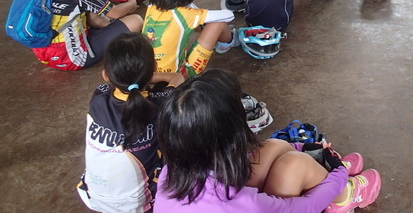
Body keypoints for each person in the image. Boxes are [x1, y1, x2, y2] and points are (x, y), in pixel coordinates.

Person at [154, 68, 381, 212]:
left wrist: (301, 146)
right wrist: (338, 174)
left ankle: (324, 177)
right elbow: (305, 206)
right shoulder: (241, 205)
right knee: (295, 164)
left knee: (275, 146)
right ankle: (345, 195)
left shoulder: (173, 169)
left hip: (224, 195)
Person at [77, 32, 185, 213]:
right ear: (154, 68)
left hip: (95, 198)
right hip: (140, 205)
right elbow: (177, 79)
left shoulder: (98, 98)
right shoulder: (161, 104)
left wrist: (137, 76)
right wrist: (146, 75)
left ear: (105, 75)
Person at [142, 0, 238, 78]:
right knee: (218, 24)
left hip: (149, 76)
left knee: (188, 25)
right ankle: (229, 41)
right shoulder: (186, 14)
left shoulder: (151, 8)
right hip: (179, 76)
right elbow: (229, 15)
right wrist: (199, 12)